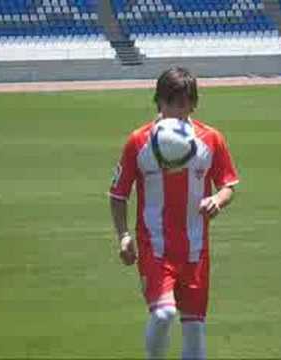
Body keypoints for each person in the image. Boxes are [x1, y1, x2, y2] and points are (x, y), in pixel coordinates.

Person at [108, 66, 239, 359]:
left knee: (195, 330)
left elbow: (228, 184)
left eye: (183, 103)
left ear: (193, 104)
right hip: (155, 248)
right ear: (159, 102)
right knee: (165, 314)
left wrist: (218, 198)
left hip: (195, 250)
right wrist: (124, 236)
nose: (177, 110)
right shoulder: (139, 141)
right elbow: (118, 195)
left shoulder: (211, 139)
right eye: (170, 103)